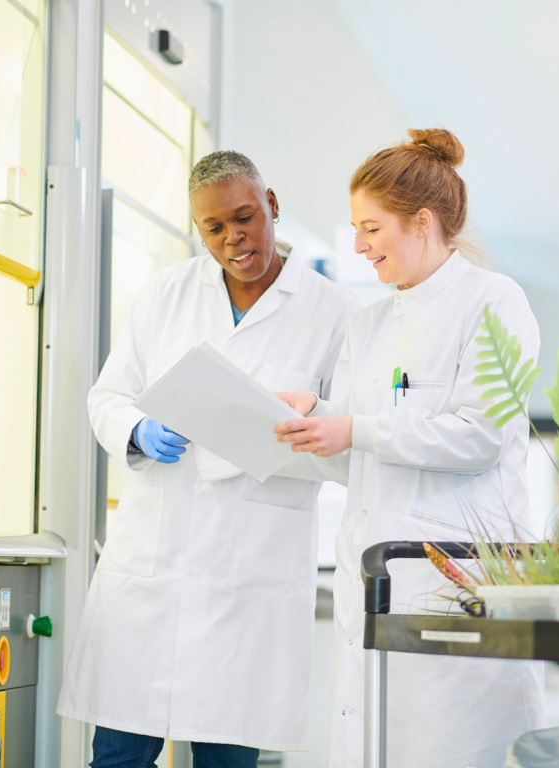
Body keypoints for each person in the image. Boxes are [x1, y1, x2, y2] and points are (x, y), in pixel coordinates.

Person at [57, 151, 360, 768]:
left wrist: (296, 425)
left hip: (249, 580)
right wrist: (139, 429)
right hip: (153, 568)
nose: (232, 239)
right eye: (213, 228)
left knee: (225, 759)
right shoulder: (170, 291)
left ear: (271, 205)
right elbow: (108, 396)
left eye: (244, 217)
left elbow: (346, 445)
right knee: (117, 754)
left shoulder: (334, 313)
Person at [274, 129, 545, 768]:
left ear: (422, 223)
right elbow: (354, 458)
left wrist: (357, 428)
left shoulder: (493, 301)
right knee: (372, 744)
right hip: (372, 575)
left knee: (450, 746)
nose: (360, 247)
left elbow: (483, 434)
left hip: (456, 579)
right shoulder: (366, 325)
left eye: (372, 229)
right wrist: (316, 424)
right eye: (355, 230)